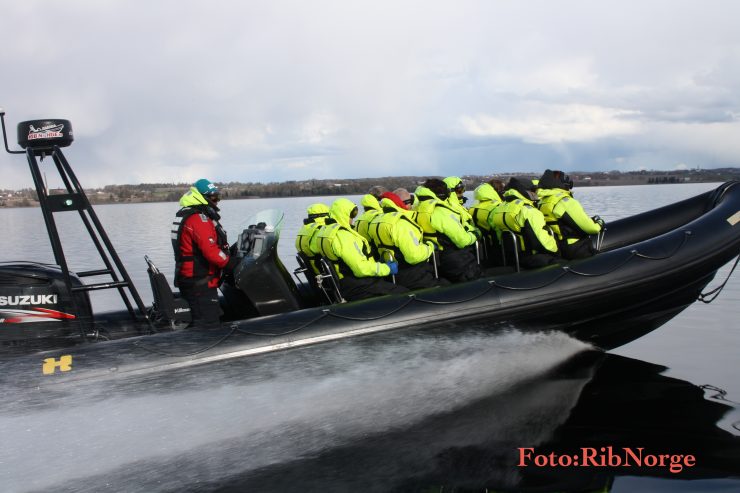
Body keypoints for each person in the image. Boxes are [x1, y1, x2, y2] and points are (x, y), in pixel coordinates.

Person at [310, 197, 408, 301]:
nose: (353, 218)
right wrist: (387, 269)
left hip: (344, 282)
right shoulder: (343, 236)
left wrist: (378, 263)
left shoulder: (325, 232)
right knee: (404, 293)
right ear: (344, 214)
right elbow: (360, 269)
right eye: (352, 214)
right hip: (358, 284)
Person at [171, 179, 238, 328]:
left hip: (191, 279)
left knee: (205, 316)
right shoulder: (197, 218)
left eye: (218, 197)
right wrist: (230, 263)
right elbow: (211, 251)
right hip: (199, 282)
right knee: (208, 324)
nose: (217, 201)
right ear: (202, 197)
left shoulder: (185, 214)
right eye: (214, 197)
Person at [367, 189, 445, 289]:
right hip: (412, 274)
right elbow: (413, 256)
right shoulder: (400, 223)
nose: (412, 206)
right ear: (403, 203)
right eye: (410, 202)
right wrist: (429, 246)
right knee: (445, 285)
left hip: (392, 274)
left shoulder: (377, 220)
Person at [414, 179, 482, 282]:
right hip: (457, 260)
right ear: (443, 193)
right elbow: (462, 240)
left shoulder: (419, 207)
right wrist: (475, 234)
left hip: (437, 261)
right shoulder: (440, 211)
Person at [491, 177, 560, 269]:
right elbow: (541, 241)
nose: (536, 193)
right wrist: (557, 249)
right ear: (524, 191)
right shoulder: (528, 210)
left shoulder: (500, 207)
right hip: (531, 258)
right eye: (533, 190)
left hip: (512, 257)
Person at [537, 169, 604, 259]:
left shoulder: (542, 202)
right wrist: (599, 224)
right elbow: (591, 228)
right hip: (576, 248)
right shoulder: (565, 201)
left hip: (559, 248)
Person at [469, 180, 504, 266]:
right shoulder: (496, 207)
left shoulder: (473, 207)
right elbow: (499, 229)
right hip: (497, 245)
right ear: (495, 191)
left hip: (483, 245)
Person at [295, 203, 331, 274]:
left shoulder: (304, 230)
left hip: (314, 274)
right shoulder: (320, 231)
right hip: (324, 273)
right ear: (326, 216)